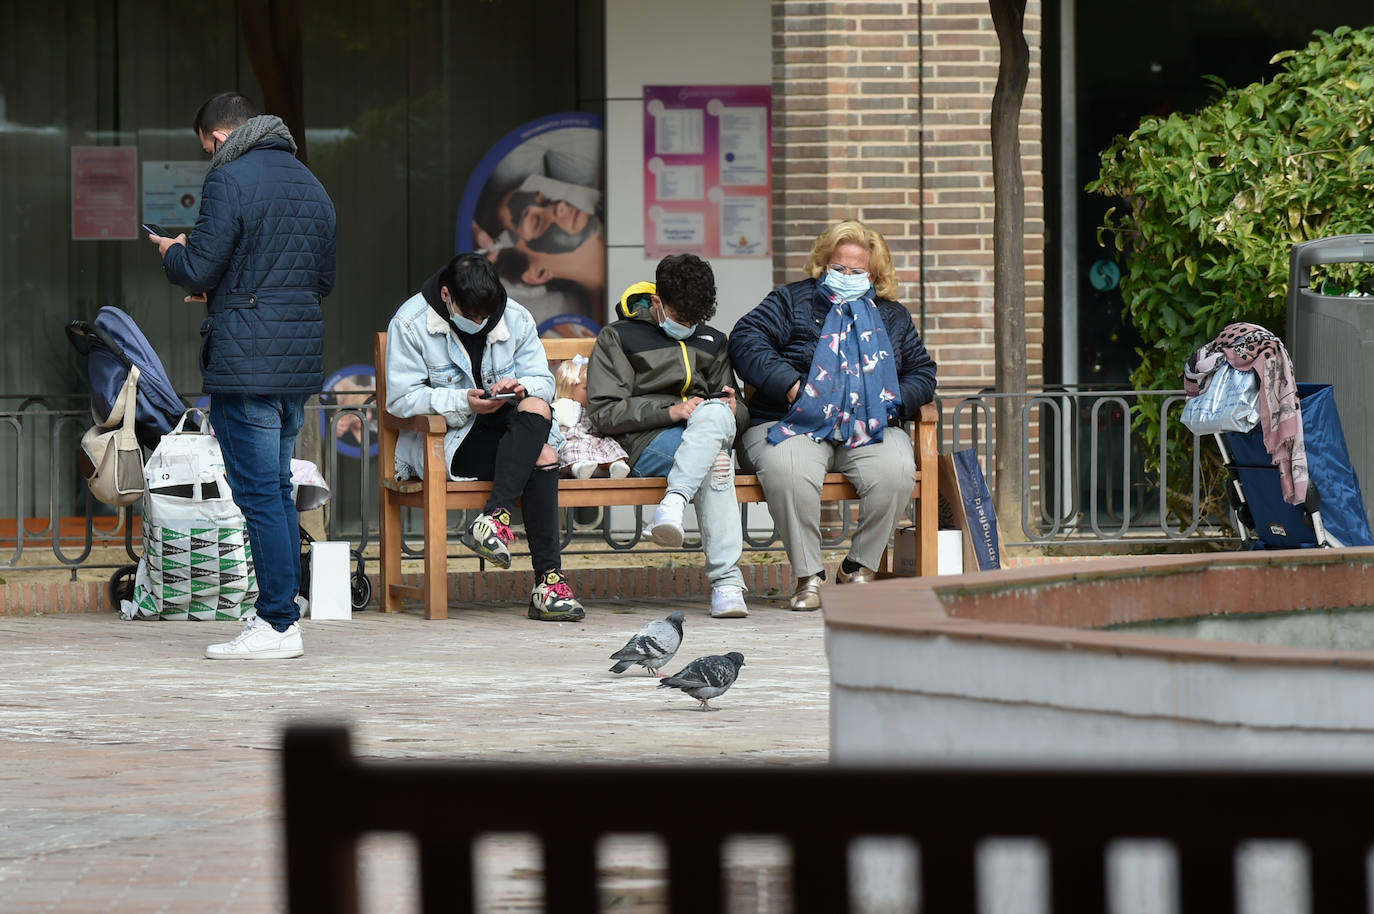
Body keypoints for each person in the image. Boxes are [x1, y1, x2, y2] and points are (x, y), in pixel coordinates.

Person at [149, 92, 336, 660]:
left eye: (206, 147)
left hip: (245, 362)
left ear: (218, 137)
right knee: (275, 490)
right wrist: (231, 290)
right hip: (295, 363)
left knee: (258, 496)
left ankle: (277, 623)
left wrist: (172, 251)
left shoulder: (227, 180)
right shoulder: (312, 184)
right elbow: (320, 280)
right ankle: (280, 613)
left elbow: (199, 266)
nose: (209, 156)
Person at [729, 220, 937, 612]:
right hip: (792, 421)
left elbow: (922, 372)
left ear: (874, 276)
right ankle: (809, 576)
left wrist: (890, 403)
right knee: (789, 469)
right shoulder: (791, 301)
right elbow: (746, 339)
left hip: (867, 426)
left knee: (896, 469)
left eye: (857, 271)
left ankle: (858, 566)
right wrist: (792, 385)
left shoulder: (893, 316)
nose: (845, 276)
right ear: (823, 264)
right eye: (838, 267)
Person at [385, 252, 586, 622]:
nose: (480, 323)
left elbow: (543, 382)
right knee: (542, 457)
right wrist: (463, 401)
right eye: (472, 315)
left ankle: (494, 520)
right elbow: (400, 400)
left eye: (487, 316)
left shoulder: (515, 316)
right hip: (449, 440)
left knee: (538, 408)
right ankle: (547, 583)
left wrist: (520, 387)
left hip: (511, 432)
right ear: (447, 295)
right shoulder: (411, 322)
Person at [587, 256, 751, 619]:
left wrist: (733, 407)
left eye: (696, 320)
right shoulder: (619, 336)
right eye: (681, 318)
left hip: (705, 434)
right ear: (657, 301)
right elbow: (604, 410)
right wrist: (671, 412)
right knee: (716, 464)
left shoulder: (713, 340)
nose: (689, 327)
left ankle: (673, 503)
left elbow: (738, 413)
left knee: (714, 418)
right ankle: (726, 583)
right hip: (647, 441)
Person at [552, 355, 631, 479]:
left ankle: (617, 465)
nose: (592, 393)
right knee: (569, 448)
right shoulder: (566, 406)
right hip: (575, 439)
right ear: (569, 388)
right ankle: (578, 468)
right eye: (587, 388)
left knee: (611, 445)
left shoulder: (597, 409)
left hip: (596, 440)